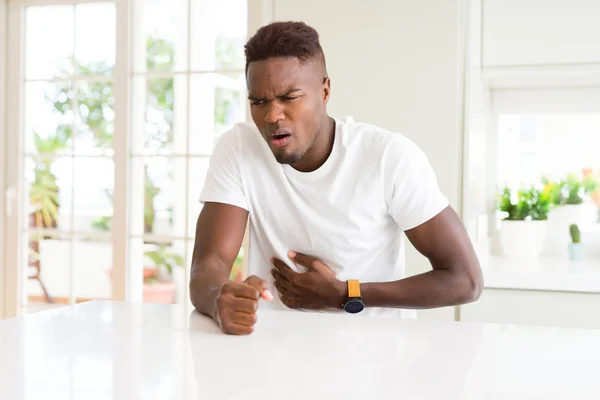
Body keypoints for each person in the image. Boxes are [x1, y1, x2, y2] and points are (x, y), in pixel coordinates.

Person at [189, 21, 483, 335]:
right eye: (258, 102)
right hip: (274, 356)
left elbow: (465, 280)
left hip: (373, 361)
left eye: (289, 97)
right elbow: (208, 267)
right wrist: (219, 300)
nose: (272, 116)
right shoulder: (238, 147)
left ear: (325, 90)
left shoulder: (388, 157)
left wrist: (346, 294)